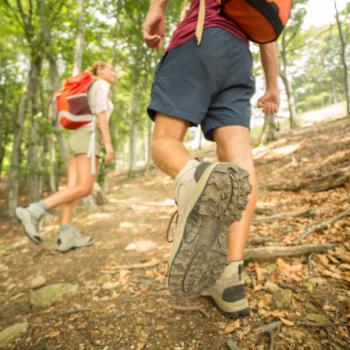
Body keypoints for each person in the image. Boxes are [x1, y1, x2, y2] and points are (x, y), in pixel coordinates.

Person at [143, 0, 280, 318]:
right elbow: (269, 30)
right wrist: (272, 86)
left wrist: (157, 10)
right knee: (240, 157)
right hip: (238, 55)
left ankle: (197, 178)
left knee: (164, 141)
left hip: (199, 37)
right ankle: (230, 278)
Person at [16, 62, 116, 253]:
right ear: (100, 70)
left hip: (76, 135)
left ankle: (65, 235)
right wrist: (108, 143)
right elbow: (101, 113)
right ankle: (34, 210)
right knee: (84, 187)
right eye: (111, 69)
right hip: (87, 136)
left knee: (73, 187)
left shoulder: (90, 86)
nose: (114, 73)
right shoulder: (101, 84)